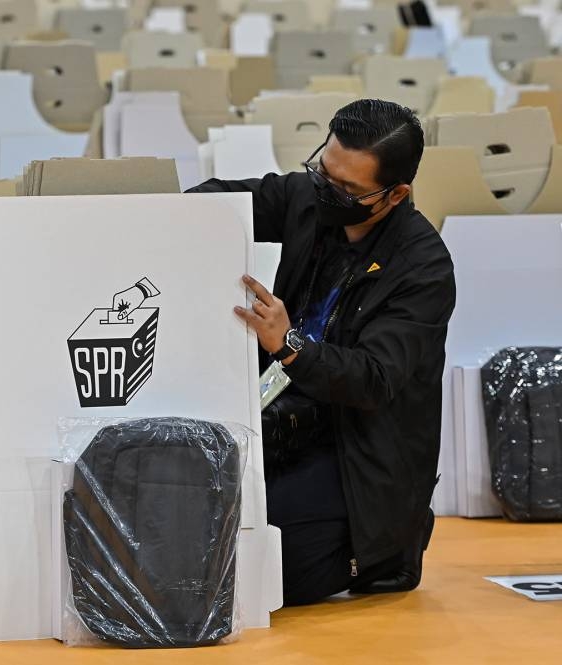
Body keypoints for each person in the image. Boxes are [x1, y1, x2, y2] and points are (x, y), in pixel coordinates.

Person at [188, 99, 455, 605]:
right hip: (281, 423)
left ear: (395, 194)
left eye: (348, 190)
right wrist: (138, 216)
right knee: (191, 511)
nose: (328, 191)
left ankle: (390, 549)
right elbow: (216, 204)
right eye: (323, 171)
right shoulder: (307, 198)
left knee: (242, 563)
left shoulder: (423, 268)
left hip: (355, 457)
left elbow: (374, 380)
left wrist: (290, 346)